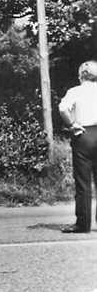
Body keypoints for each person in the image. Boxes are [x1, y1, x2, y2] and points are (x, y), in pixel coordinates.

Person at [58, 60, 97, 233]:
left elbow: (62, 109)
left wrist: (72, 124)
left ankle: (83, 223)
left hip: (84, 134)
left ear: (81, 74)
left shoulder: (75, 91)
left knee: (83, 183)